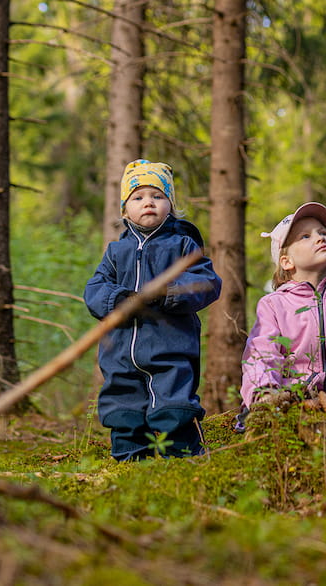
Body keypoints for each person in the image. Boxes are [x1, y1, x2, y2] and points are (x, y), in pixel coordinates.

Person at [84, 159, 222, 460]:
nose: (149, 202)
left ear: (170, 205)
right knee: (123, 408)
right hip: (120, 353)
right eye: (138, 197)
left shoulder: (182, 245)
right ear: (125, 210)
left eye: (158, 196)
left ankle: (185, 458)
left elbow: (208, 282)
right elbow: (94, 290)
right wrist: (119, 300)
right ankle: (131, 463)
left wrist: (167, 293)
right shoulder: (115, 252)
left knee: (175, 405)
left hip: (171, 348)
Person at [237, 202, 326, 428]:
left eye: (323, 233)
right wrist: (265, 393)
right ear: (287, 262)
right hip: (293, 398)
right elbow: (262, 353)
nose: (319, 238)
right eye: (305, 237)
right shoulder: (274, 305)